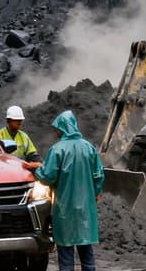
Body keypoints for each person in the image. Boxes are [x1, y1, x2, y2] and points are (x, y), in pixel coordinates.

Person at [34, 110, 104, 271]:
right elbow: (99, 175)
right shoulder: (89, 148)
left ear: (63, 127)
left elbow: (47, 176)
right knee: (86, 250)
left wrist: (36, 170)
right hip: (86, 209)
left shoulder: (57, 150)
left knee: (65, 251)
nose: (55, 131)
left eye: (57, 128)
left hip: (65, 208)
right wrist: (95, 193)